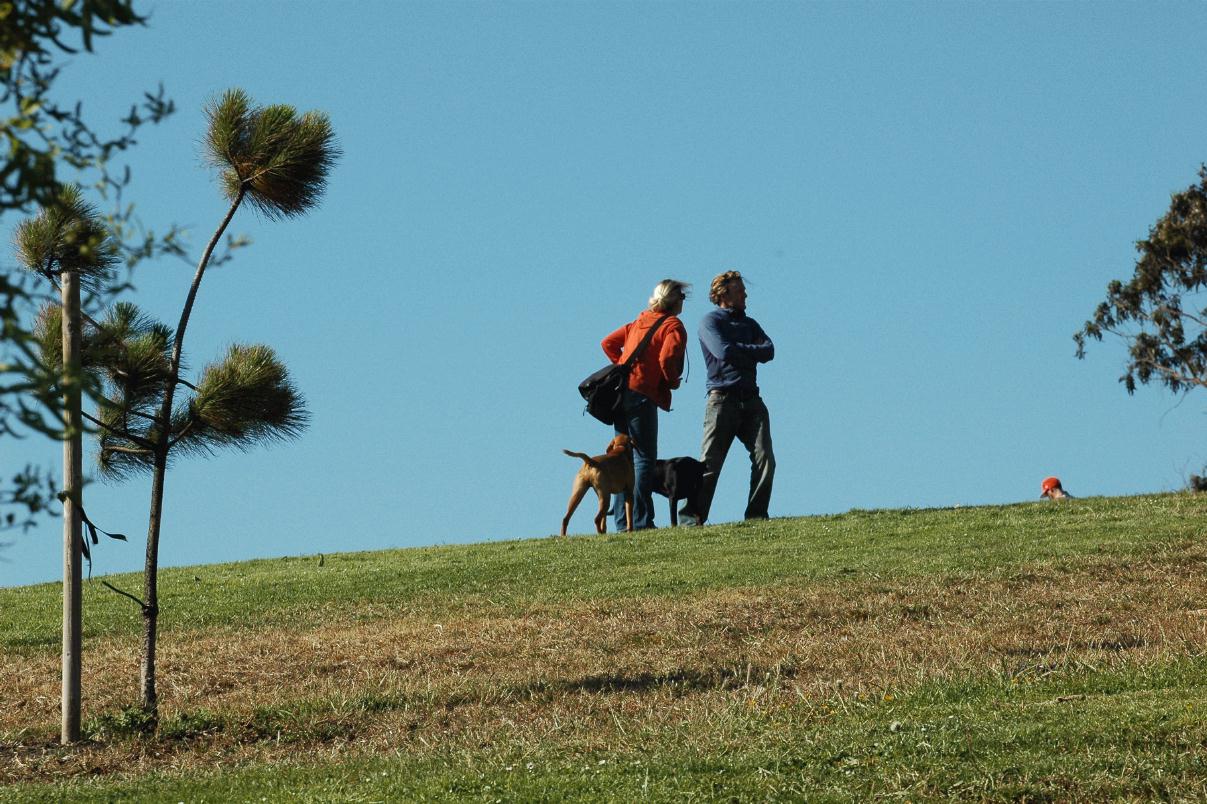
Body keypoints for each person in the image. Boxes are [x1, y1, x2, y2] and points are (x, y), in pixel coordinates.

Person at [680, 270, 775, 524]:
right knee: (709, 465)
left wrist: (739, 350)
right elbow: (722, 351)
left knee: (765, 458)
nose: (745, 294)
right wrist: (748, 351)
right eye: (739, 290)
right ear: (724, 294)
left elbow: (769, 351)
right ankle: (692, 520)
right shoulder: (710, 322)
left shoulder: (750, 323)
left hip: (752, 399)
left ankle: (756, 516)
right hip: (722, 400)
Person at [600, 279, 690, 530]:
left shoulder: (641, 320)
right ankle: (639, 521)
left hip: (620, 392)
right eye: (682, 296)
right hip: (642, 394)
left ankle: (622, 522)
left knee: (623, 459)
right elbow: (668, 356)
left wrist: (622, 366)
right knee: (643, 459)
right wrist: (671, 381)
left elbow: (607, 342)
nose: (684, 300)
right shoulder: (673, 326)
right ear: (674, 300)